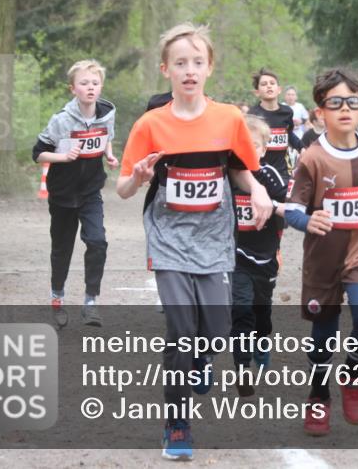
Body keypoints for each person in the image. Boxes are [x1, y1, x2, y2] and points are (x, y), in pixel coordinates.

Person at [117, 24, 272, 461]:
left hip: (214, 237)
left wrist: (257, 190)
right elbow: (123, 188)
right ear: (166, 70)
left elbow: (241, 169)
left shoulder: (228, 119)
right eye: (180, 63)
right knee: (182, 330)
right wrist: (140, 178)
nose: (189, 70)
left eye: (197, 62)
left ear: (209, 68)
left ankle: (201, 360)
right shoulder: (150, 124)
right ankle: (178, 424)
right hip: (168, 237)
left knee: (217, 329)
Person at [284, 68, 358, 436]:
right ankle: (319, 394)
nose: (345, 109)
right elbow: (294, 210)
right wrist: (308, 221)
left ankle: (352, 374)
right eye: (335, 103)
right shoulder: (311, 158)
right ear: (320, 112)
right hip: (323, 257)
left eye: (353, 102)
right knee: (323, 336)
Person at [32, 59, 118, 328]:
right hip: (63, 194)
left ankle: (91, 301)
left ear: (100, 86)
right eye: (84, 83)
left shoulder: (107, 113)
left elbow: (106, 137)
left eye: (95, 83)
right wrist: (62, 156)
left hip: (91, 191)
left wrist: (110, 155)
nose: (90, 88)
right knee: (62, 248)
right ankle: (57, 297)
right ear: (73, 89)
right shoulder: (61, 120)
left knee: (97, 242)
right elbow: (37, 154)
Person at [230, 114, 288, 393]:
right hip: (235, 254)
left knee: (261, 314)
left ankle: (262, 341)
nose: (249, 150)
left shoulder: (271, 176)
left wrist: (271, 206)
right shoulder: (226, 175)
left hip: (265, 256)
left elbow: (290, 208)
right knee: (241, 309)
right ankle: (242, 369)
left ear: (264, 149)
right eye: (244, 144)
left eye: (255, 145)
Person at [249, 68, 303, 183]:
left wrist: (302, 148)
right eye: (264, 84)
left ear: (279, 90)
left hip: (283, 172)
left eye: (272, 83)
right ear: (257, 92)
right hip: (260, 172)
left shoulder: (287, 112)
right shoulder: (252, 115)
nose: (269, 86)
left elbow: (289, 134)